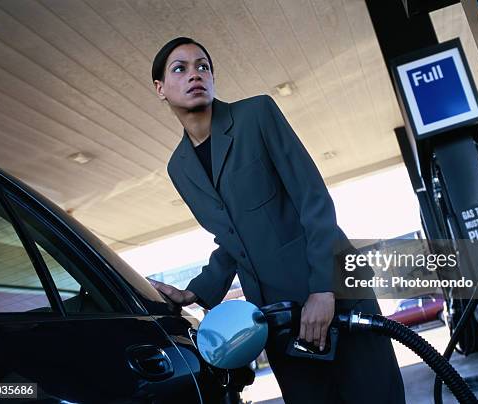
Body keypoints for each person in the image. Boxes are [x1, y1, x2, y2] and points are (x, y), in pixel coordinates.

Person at [149, 36, 405, 404]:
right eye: (181, 68)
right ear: (160, 88)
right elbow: (231, 239)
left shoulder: (256, 114)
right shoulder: (179, 168)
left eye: (202, 66)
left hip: (336, 295)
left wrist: (322, 290)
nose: (195, 75)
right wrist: (195, 291)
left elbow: (312, 200)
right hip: (276, 319)